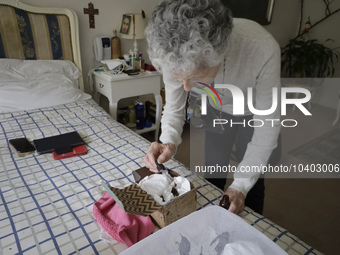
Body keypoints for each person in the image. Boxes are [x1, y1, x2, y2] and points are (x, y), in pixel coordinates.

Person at [144, 0, 281, 215]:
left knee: (252, 183)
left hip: (252, 113)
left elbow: (268, 125)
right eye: (179, 79)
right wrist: (168, 140)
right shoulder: (171, 50)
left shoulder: (262, 48)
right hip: (216, 109)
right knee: (213, 170)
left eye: (195, 78)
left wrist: (240, 187)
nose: (186, 87)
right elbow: (174, 107)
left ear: (223, 53)